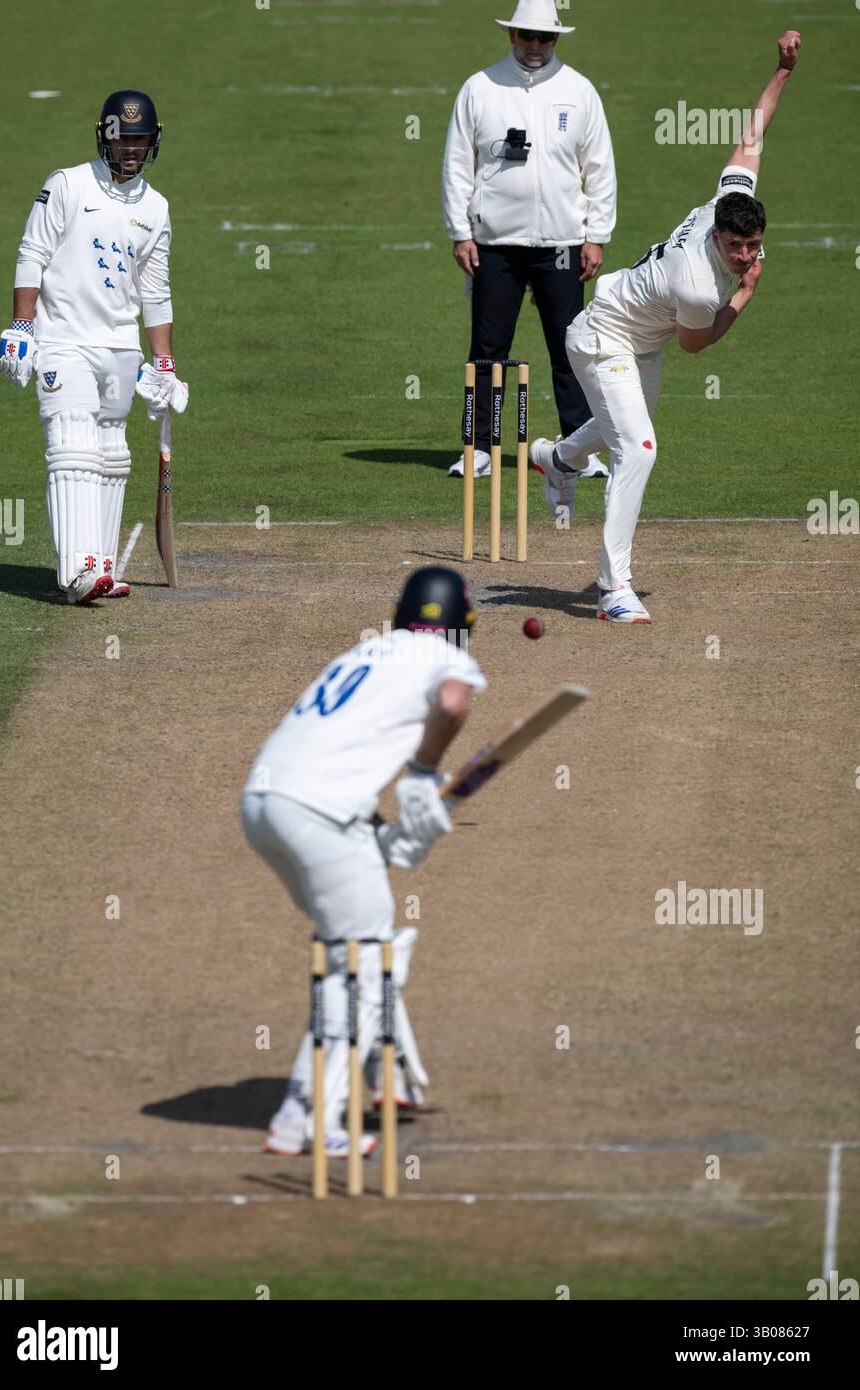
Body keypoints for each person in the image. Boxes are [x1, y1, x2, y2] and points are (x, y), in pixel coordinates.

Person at [530, 31, 802, 623]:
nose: (746, 256)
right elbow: (697, 342)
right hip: (604, 336)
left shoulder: (726, 200)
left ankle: (557, 460)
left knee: (621, 429)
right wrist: (747, 296)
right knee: (641, 450)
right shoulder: (698, 284)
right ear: (717, 238)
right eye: (737, 248)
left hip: (638, 337)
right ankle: (612, 590)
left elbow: (753, 134)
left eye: (754, 246)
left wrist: (781, 71)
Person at [241, 567, 486, 1158]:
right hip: (318, 815)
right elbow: (453, 704)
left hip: (263, 804)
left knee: (349, 952)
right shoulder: (442, 657)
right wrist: (424, 775)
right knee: (366, 961)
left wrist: (380, 834)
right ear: (460, 626)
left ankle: (371, 1081)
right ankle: (307, 1118)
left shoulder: (365, 652)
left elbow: (329, 757)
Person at [0, 90, 187, 604]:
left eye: (140, 139)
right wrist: (22, 328)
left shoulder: (155, 207)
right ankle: (76, 573)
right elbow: (31, 253)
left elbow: (155, 290)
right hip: (63, 341)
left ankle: (101, 564)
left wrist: (164, 363)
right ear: (105, 135)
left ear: (153, 140)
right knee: (73, 446)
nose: (131, 148)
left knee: (112, 452)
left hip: (120, 347)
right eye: (124, 138)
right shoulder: (67, 184)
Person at [442, 0, 616, 481]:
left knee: (571, 348)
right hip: (495, 243)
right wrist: (461, 232)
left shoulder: (579, 91)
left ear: (556, 39)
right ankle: (480, 447)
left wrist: (596, 235)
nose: (535, 46)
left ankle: (577, 448)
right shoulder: (480, 88)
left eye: (545, 38)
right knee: (488, 347)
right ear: (511, 35)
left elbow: (598, 168)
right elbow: (459, 166)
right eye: (527, 37)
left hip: (562, 242)